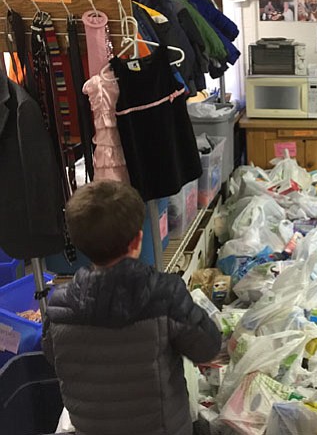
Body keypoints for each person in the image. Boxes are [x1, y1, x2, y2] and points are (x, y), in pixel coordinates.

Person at [42, 180, 222, 435]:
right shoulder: (165, 295)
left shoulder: (59, 307)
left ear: (80, 245)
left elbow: (52, 355)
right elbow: (208, 347)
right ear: (138, 239)